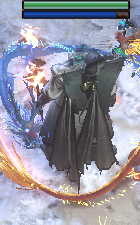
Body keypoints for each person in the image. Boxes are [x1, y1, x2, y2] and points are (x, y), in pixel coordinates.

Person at [40, 52, 125, 188]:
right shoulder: (67, 75)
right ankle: (72, 169)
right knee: (70, 142)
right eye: (95, 70)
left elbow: (109, 96)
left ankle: (89, 161)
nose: (97, 73)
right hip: (71, 114)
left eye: (99, 70)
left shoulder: (99, 78)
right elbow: (52, 93)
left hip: (90, 113)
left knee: (88, 140)